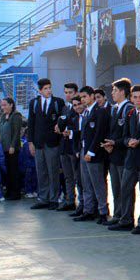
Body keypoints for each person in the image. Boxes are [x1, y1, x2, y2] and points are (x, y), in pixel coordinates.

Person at [113, 84, 140, 234]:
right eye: (134, 97)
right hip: (130, 159)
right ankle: (126, 220)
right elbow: (124, 136)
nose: (137, 100)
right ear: (131, 98)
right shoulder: (130, 113)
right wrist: (127, 141)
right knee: (125, 189)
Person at [74, 85, 112, 225]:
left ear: (91, 96)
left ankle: (103, 212)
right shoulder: (86, 112)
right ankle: (88, 210)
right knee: (86, 183)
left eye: (84, 97)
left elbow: (99, 134)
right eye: (81, 97)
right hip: (85, 151)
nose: (82, 100)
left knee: (98, 183)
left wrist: (91, 151)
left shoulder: (99, 111)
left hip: (94, 153)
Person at [28, 78, 65, 210]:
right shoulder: (34, 103)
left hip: (52, 142)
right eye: (45, 88)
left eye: (49, 88)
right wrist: (30, 142)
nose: (48, 90)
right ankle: (43, 198)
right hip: (38, 143)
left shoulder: (58, 102)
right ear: (40, 90)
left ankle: (54, 198)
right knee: (41, 171)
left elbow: (62, 120)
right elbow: (31, 124)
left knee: (53, 171)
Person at [102, 78, 133, 223]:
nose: (112, 93)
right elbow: (111, 130)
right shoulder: (115, 108)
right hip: (113, 154)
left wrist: (116, 143)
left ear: (122, 92)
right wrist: (109, 143)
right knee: (116, 187)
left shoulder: (129, 109)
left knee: (125, 188)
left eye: (114, 90)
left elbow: (128, 134)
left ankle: (126, 216)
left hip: (124, 154)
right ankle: (118, 213)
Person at [56, 83, 80, 211]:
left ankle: (81, 203)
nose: (68, 95)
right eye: (66, 92)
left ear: (76, 93)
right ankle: (70, 200)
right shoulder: (65, 108)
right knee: (67, 176)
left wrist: (70, 132)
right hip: (64, 146)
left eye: (70, 92)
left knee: (77, 177)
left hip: (74, 146)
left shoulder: (79, 107)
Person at [0, 97, 23, 201]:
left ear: (11, 105)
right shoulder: (3, 116)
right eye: (2, 105)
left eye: (5, 105)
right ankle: (8, 191)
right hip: (4, 147)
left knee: (13, 170)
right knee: (7, 170)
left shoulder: (16, 116)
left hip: (12, 148)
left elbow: (16, 132)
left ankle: (15, 193)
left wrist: (13, 146)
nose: (3, 107)